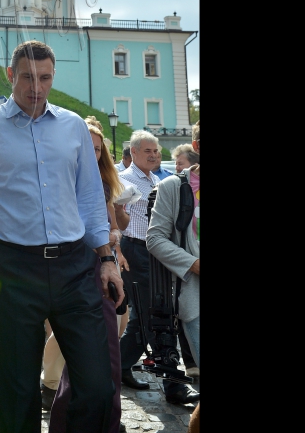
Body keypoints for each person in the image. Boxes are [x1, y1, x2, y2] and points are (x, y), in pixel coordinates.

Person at [0, 40, 124, 433]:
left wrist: (107, 259)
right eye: (28, 77)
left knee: (98, 386)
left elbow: (90, 198)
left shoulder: (74, 126)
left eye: (45, 78)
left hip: (75, 266)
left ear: (52, 77)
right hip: (14, 268)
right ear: (11, 75)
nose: (36, 87)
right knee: (17, 392)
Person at [48, 118, 129, 433]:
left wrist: (113, 245)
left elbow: (111, 226)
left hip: (101, 270)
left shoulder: (103, 183)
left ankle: (102, 420)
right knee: (97, 357)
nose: (92, 154)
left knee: (103, 355)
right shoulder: (60, 178)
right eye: (87, 147)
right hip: (74, 272)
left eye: (98, 149)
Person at [117, 131, 200, 406]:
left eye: (156, 151)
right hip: (137, 250)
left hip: (161, 256)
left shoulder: (157, 179)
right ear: (134, 152)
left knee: (142, 321)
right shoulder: (123, 179)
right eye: (148, 151)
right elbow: (115, 220)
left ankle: (115, 366)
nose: (154, 155)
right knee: (155, 317)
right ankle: (173, 383)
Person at [147, 120, 200, 372]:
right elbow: (155, 239)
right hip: (194, 295)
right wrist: (193, 264)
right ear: (196, 145)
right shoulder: (173, 187)